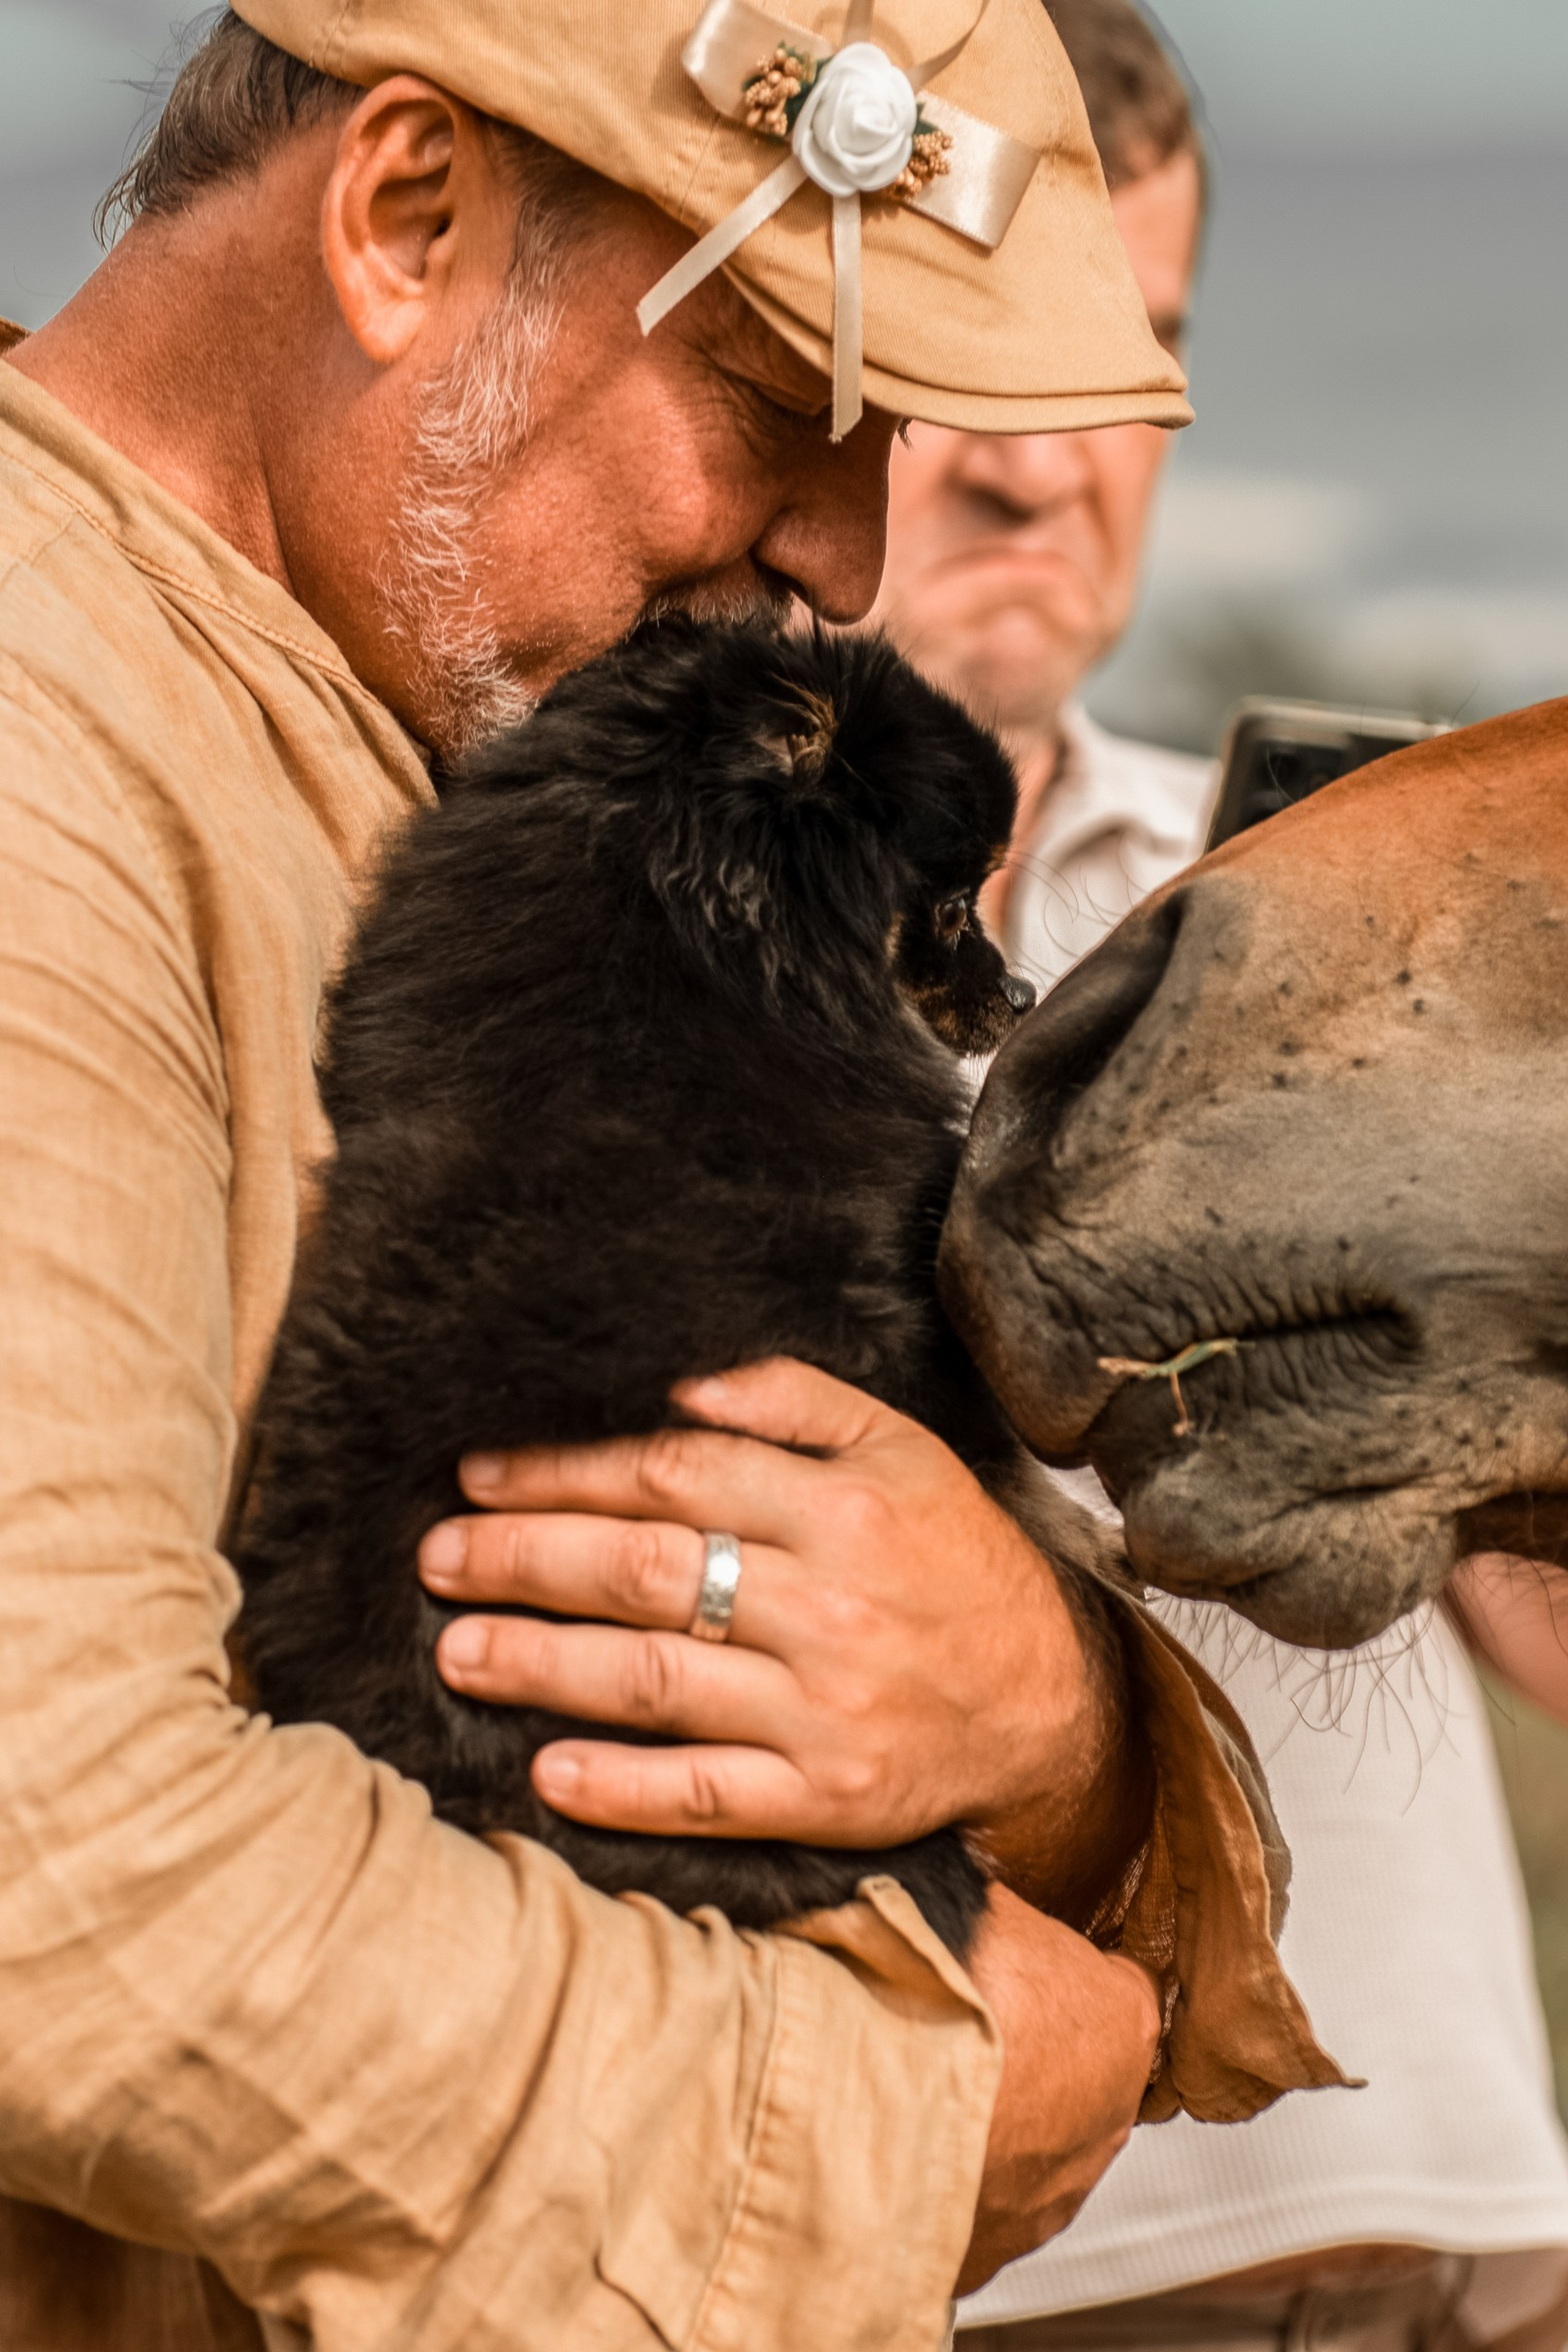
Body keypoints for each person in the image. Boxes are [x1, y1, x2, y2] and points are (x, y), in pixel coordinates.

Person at [0, 4, 1340, 2348]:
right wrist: (884, 2111)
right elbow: (64, 1879)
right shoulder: (44, 749)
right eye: (774, 392)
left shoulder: (466, 754)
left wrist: (1053, 1724)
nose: (844, 555)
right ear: (406, 216)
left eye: (897, 433)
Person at [872, 5, 1568, 2346]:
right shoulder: (602, 972)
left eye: (1139, 353)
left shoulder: (1305, 886)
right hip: (1018, 2268)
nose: (1051, 465)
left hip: (1468, 2208)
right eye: (977, 357)